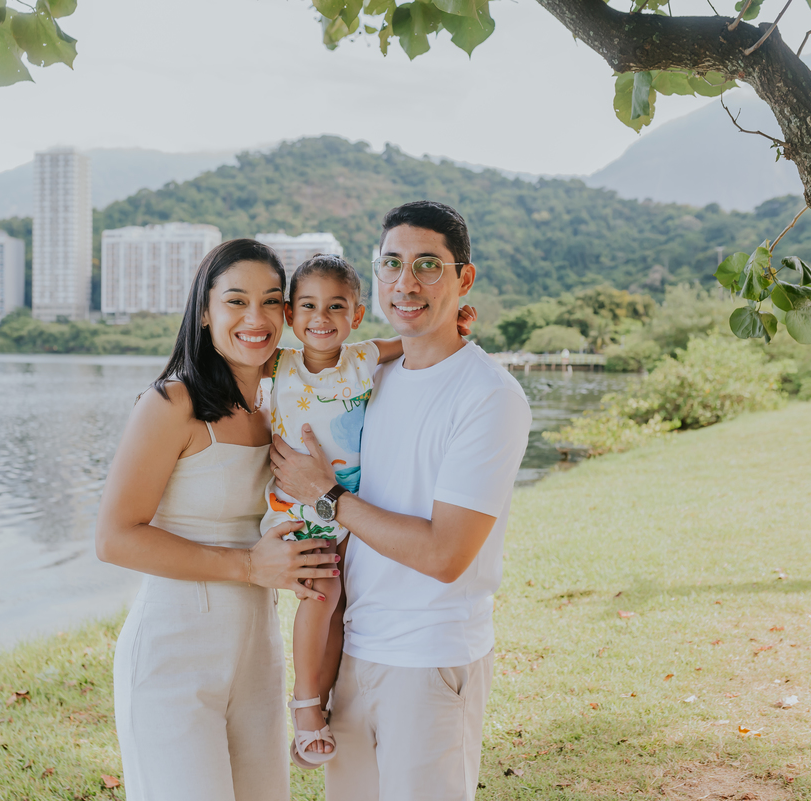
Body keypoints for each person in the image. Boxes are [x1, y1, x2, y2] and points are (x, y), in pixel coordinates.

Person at [270, 201, 532, 801]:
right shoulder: (371, 379)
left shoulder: (488, 396)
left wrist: (327, 492)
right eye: (392, 264)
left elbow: (445, 554)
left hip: (431, 659)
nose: (406, 283)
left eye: (428, 266)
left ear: (464, 278)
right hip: (357, 650)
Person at [94, 239, 341, 801]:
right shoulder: (170, 404)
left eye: (273, 302)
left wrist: (443, 330)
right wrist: (251, 566)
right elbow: (114, 538)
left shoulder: (283, 402)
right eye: (236, 301)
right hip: (174, 656)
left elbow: (361, 354)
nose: (256, 319)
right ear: (205, 313)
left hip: (256, 654)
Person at [261, 254, 476, 769]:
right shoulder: (278, 364)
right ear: (290, 315)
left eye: (337, 307)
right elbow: (220, 364)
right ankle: (305, 705)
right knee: (324, 594)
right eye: (308, 306)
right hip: (298, 503)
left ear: (357, 315)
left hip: (348, 506)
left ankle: (325, 695)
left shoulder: (362, 358)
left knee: (343, 599)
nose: (322, 318)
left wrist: (456, 321)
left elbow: (420, 339)